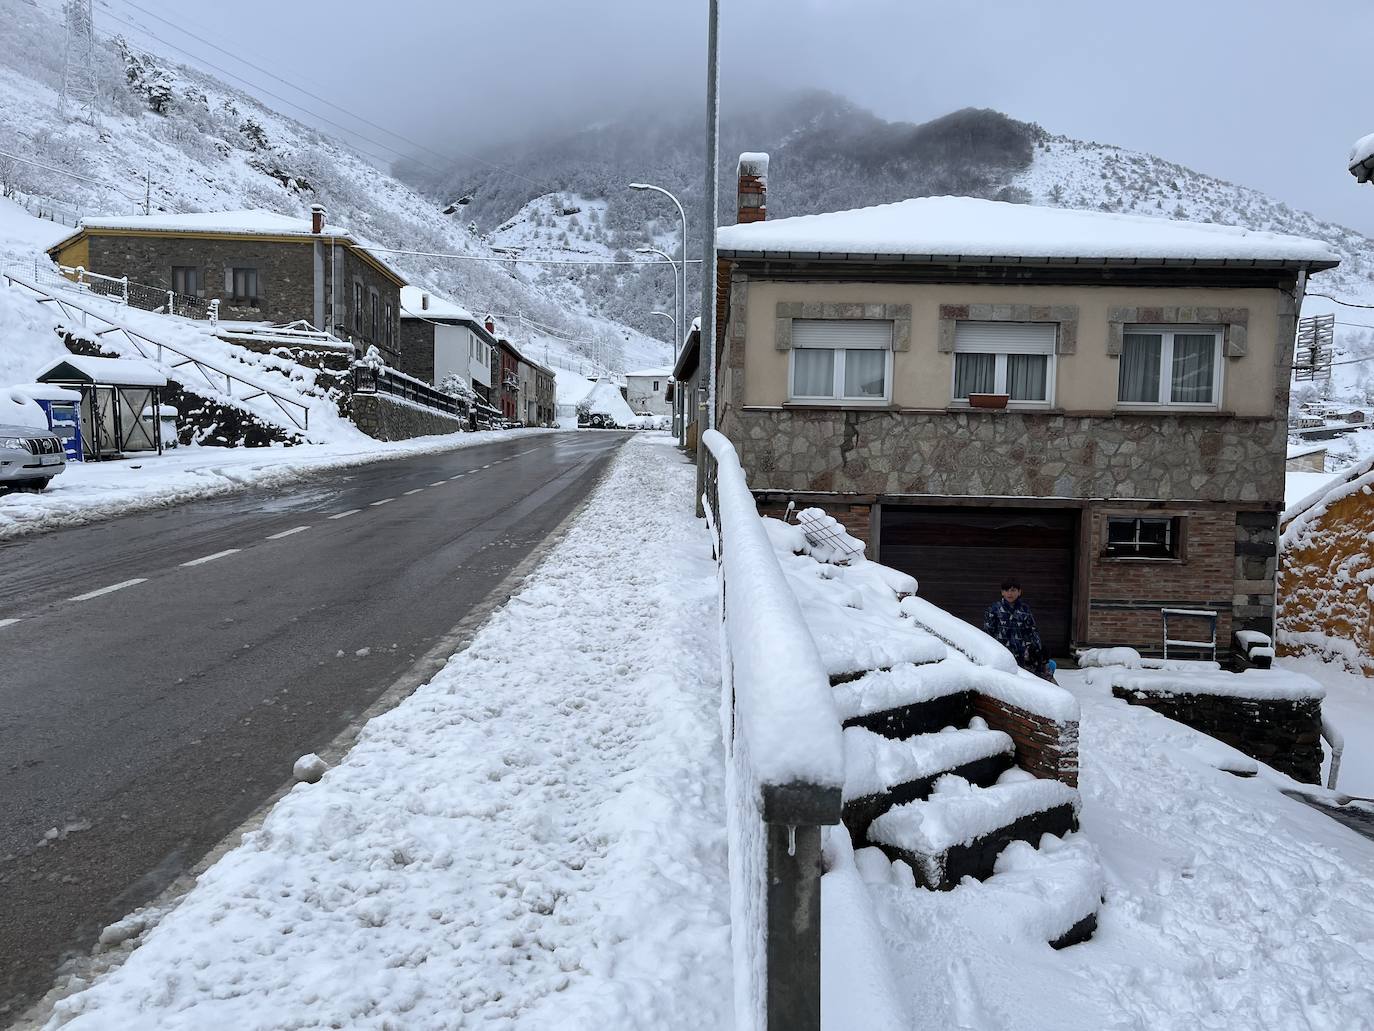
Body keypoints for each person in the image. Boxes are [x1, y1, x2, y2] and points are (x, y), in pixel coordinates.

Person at [983, 578, 1053, 681]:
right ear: (1002, 592)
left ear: (1019, 592)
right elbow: (988, 633)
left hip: (1021, 654)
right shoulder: (994, 609)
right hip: (1002, 654)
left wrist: (1037, 649)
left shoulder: (1025, 610)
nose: (1009, 593)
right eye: (1006, 590)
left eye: (1013, 590)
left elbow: (1032, 631)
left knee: (1023, 680)